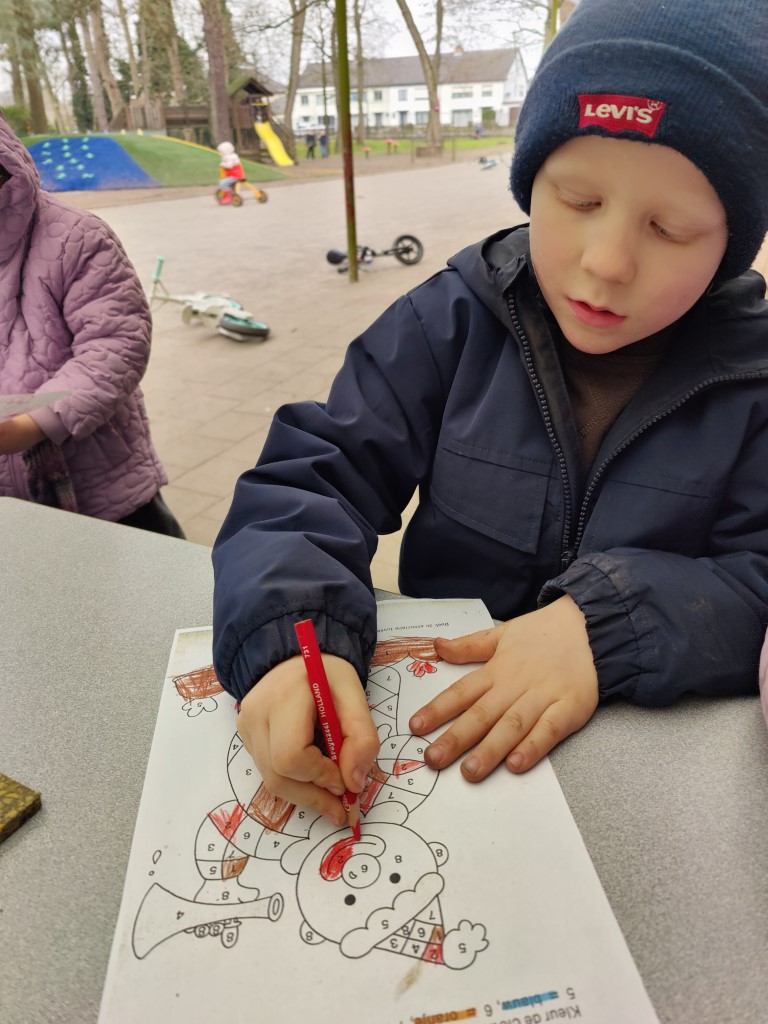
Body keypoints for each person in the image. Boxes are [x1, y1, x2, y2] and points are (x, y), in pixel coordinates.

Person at [212, 0, 768, 828]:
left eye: (671, 227)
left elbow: (757, 576)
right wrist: (291, 637)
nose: (608, 262)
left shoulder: (753, 383)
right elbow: (313, 478)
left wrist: (606, 626)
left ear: (733, 240)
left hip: (641, 787)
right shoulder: (448, 324)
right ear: (528, 182)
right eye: (578, 200)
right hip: (439, 759)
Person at [0, 112, 184, 537]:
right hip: (11, 508)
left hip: (99, 480)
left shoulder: (76, 236)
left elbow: (117, 343)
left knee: (141, 570)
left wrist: (37, 422)